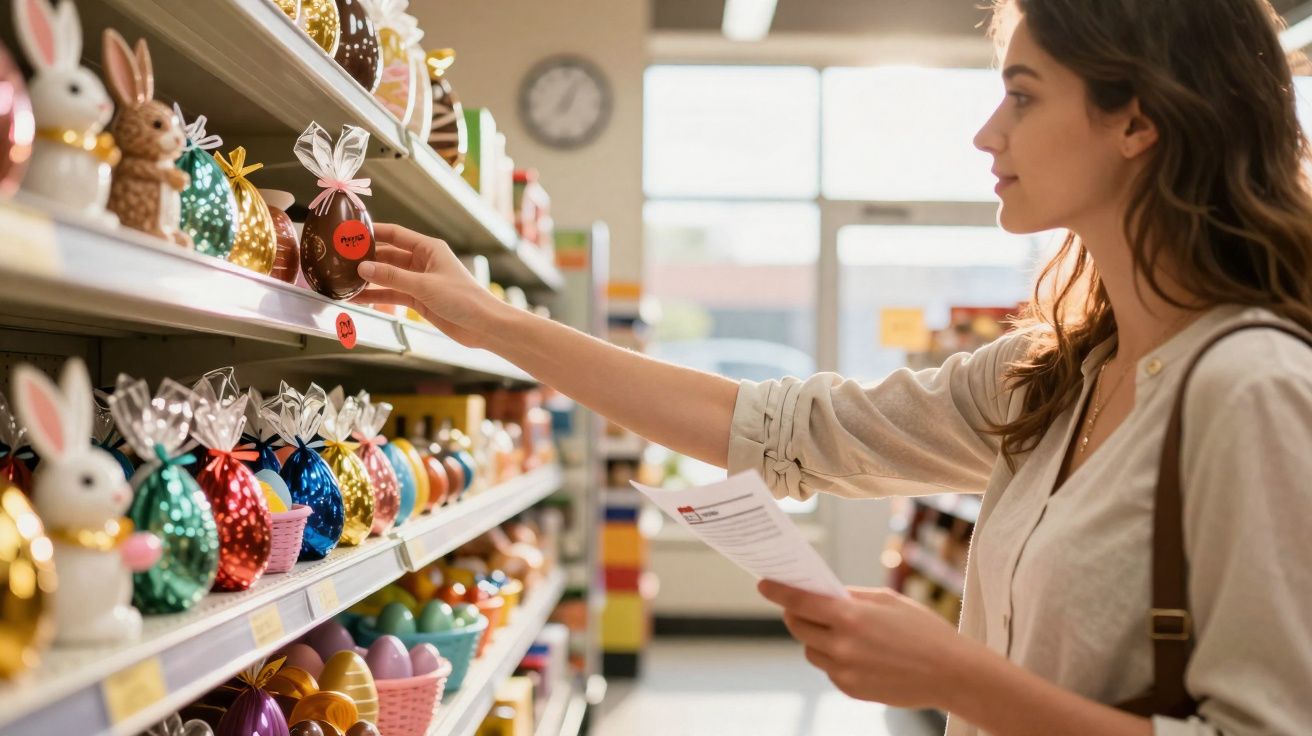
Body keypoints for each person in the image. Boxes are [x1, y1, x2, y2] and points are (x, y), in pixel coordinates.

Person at [355, 0, 1312, 732]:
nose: (989, 132)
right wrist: (488, 321)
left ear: (1136, 122)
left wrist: (953, 675)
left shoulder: (1249, 388)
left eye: (1022, 95)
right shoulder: (1050, 376)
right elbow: (782, 428)